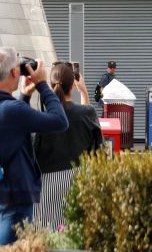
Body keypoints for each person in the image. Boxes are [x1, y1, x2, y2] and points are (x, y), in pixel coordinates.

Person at [0, 48, 68, 246]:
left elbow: (8, 130)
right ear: (15, 72)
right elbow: (59, 121)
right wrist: (42, 85)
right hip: (13, 196)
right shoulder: (12, 109)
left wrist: (24, 95)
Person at [33, 63, 103, 230]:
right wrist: (84, 91)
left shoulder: (40, 116)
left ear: (50, 85)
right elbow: (97, 149)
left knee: (44, 236)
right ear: (73, 85)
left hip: (45, 186)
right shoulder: (87, 113)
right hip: (76, 182)